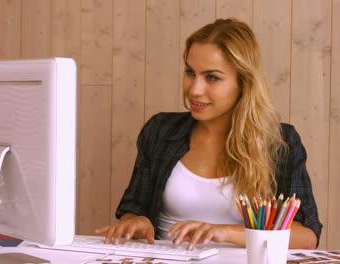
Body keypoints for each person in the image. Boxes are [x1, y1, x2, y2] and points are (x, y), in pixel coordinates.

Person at [95, 18, 322, 250]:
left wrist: (222, 232)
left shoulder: (279, 141)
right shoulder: (160, 130)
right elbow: (134, 209)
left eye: (212, 77)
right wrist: (135, 221)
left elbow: (307, 236)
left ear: (243, 82)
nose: (195, 90)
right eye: (190, 73)